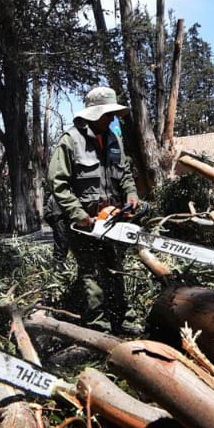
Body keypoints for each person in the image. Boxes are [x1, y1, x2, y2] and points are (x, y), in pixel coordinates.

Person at [47, 86, 140, 334]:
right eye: (107, 115)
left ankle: (125, 320)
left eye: (113, 115)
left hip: (110, 217)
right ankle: (99, 326)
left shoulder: (113, 138)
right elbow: (58, 184)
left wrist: (131, 194)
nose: (112, 119)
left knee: (115, 267)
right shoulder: (70, 141)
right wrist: (79, 215)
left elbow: (125, 173)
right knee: (91, 273)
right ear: (94, 114)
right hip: (84, 221)